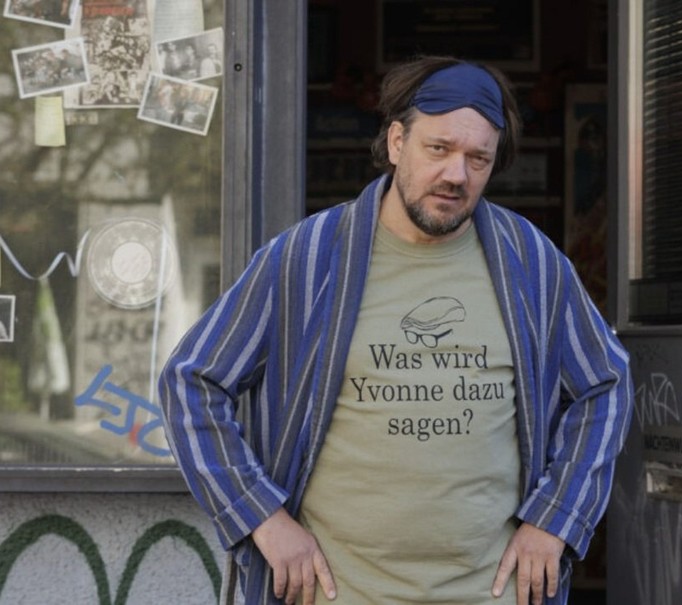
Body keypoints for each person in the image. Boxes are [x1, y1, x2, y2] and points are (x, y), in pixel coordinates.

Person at [158, 55, 633, 605]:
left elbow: (606, 383)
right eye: (439, 149)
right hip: (335, 593)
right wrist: (261, 518)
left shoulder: (529, 261)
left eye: (478, 158)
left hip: (493, 593)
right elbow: (191, 380)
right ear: (396, 142)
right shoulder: (307, 258)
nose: (456, 175)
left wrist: (556, 519)